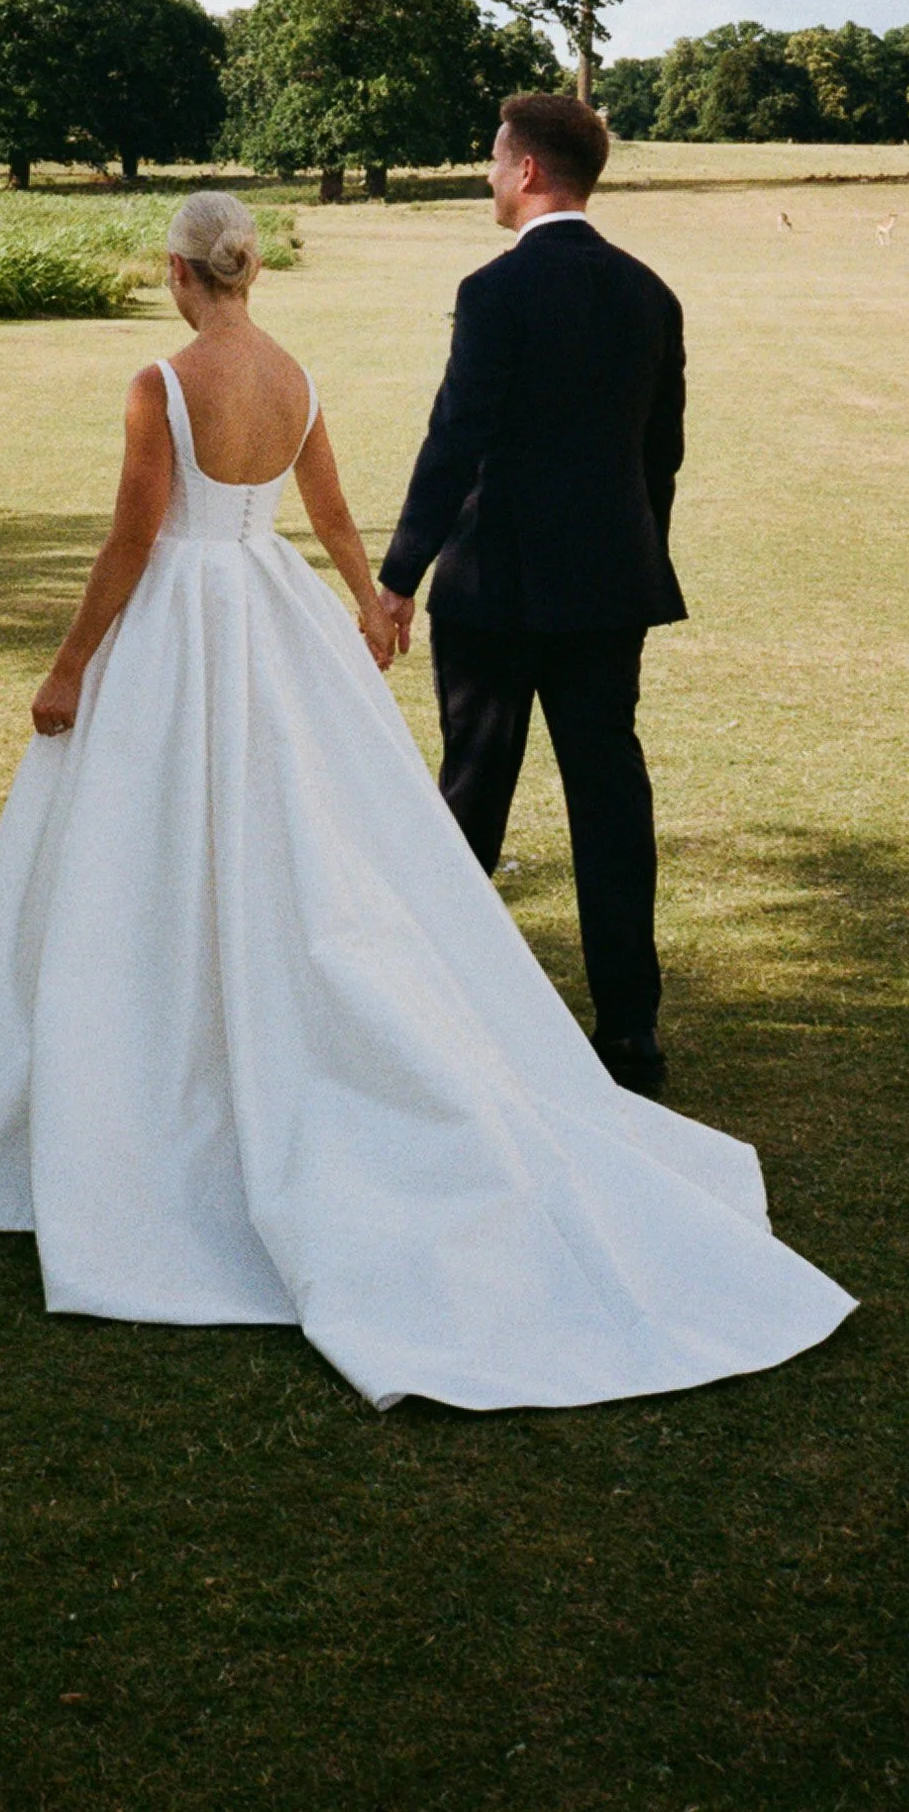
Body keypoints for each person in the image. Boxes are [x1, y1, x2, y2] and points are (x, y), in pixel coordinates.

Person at [0, 189, 853, 1411]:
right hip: (267, 614)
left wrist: (69, 665)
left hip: (181, 628)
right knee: (282, 836)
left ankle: (152, 1073)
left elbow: (132, 542)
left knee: (148, 848)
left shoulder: (162, 382)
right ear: (247, 270)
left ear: (179, 273)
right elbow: (331, 513)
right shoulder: (293, 377)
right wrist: (366, 599)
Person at [379, 93, 683, 1097]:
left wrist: (398, 576)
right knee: (609, 802)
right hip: (609, 591)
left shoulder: (493, 291)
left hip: (495, 589)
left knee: (472, 793)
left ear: (528, 172)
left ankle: (441, 1014)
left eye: (493, 158)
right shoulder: (649, 293)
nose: (487, 174)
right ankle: (630, 1032)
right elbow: (660, 456)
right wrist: (632, 560)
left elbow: (456, 438)